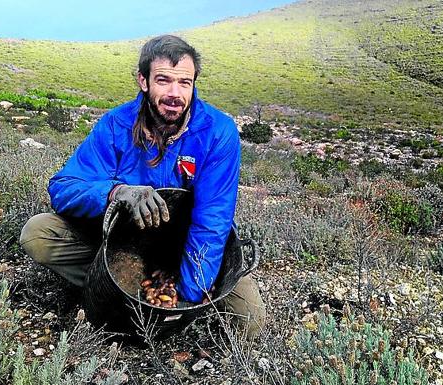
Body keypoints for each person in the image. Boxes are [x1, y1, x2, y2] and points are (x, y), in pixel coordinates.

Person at [19, 35, 266, 339]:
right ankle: (117, 287)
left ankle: (149, 298)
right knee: (38, 234)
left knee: (251, 321)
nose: (175, 93)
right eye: (163, 80)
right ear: (143, 81)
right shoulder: (115, 125)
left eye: (184, 83)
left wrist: (188, 293)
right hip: (121, 241)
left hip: (188, 246)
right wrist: (115, 192)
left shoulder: (217, 131)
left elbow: (213, 219)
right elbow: (64, 187)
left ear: (194, 83)